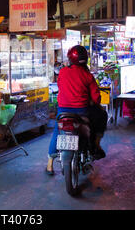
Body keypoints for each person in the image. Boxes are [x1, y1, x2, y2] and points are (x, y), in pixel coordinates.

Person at [45, 45, 106, 175]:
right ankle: (96, 145)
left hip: (63, 111)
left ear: (70, 59)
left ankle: (49, 164)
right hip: (82, 112)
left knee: (57, 131)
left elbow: (61, 86)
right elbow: (96, 98)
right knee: (99, 118)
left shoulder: (63, 72)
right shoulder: (87, 75)